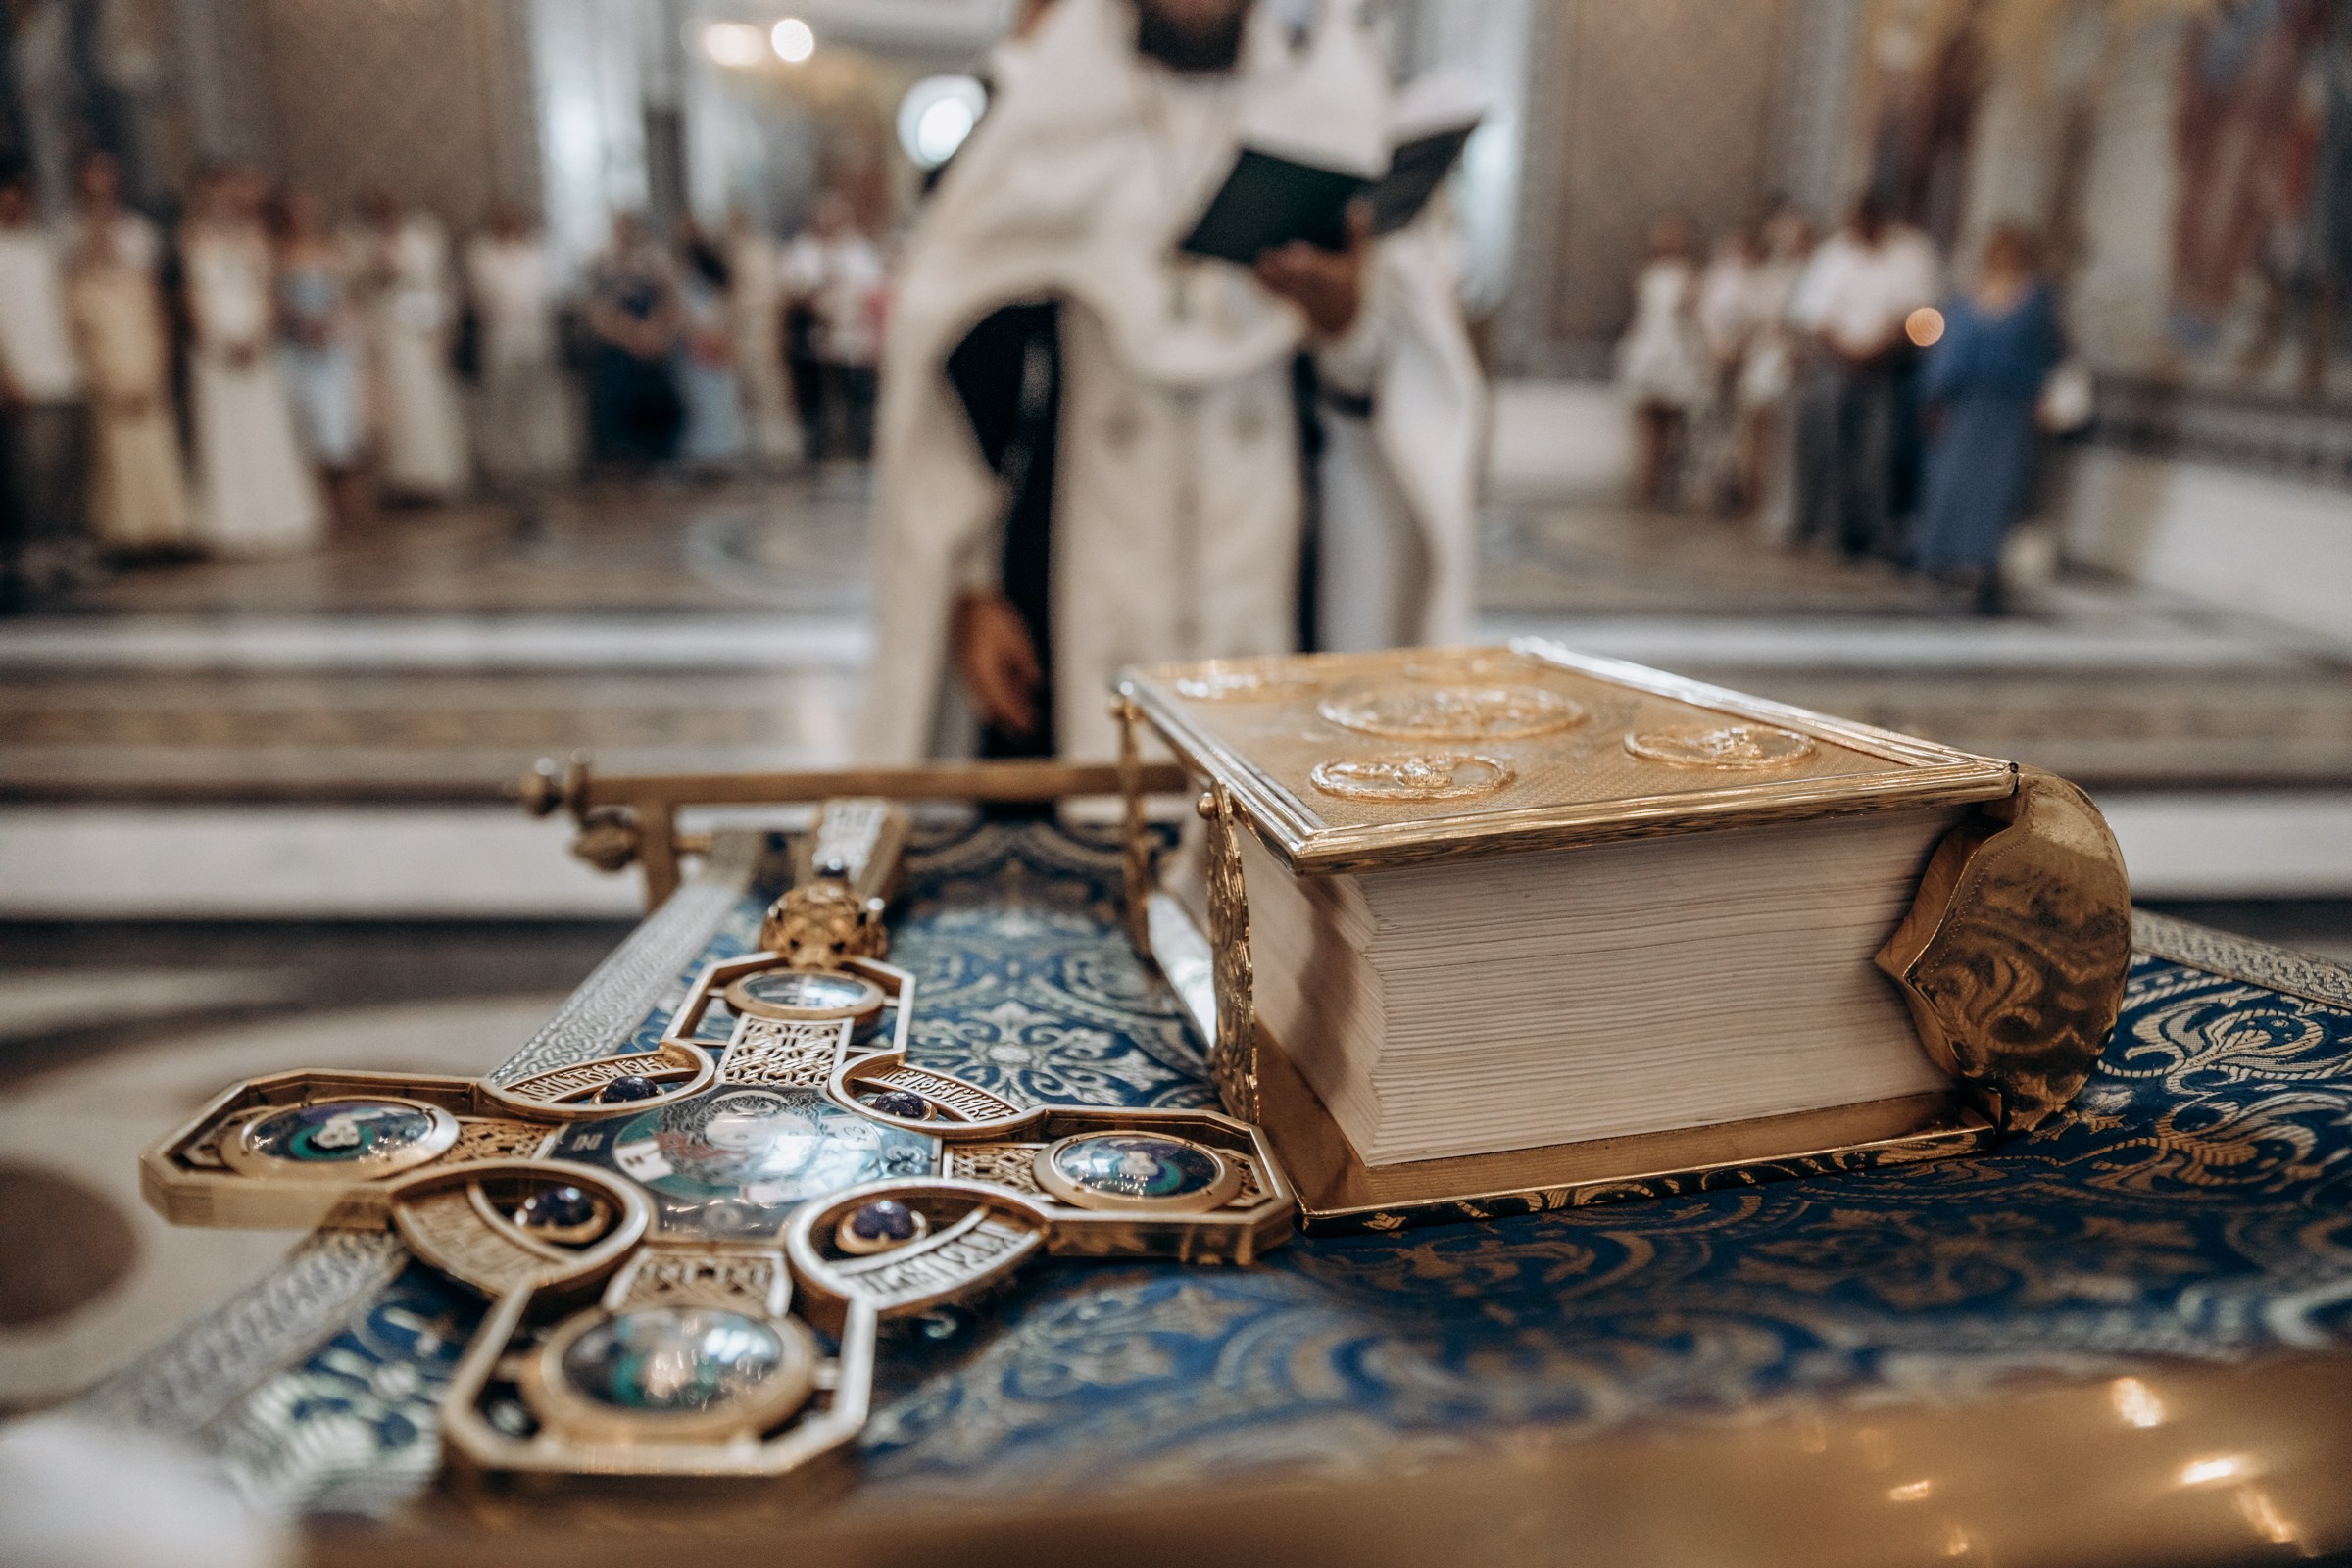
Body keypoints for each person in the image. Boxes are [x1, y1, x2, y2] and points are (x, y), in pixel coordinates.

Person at [858, 0, 1482, 764]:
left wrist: (1344, 319)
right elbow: (951, 384)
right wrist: (969, 586)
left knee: (1266, 828)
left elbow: (1391, 390)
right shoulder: (1044, 118)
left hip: (1271, 584)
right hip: (1075, 576)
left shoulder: (1331, 109)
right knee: (1093, 833)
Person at [1912, 225, 2061, 615]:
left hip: (2007, 408)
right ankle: (1941, 559)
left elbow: (2044, 355)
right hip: (1965, 407)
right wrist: (1936, 396)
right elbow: (1949, 351)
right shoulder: (1968, 297)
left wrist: (2039, 400)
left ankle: (1978, 566)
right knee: (1950, 483)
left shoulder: (2035, 300)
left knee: (1996, 489)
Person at [1788, 191, 1939, 560]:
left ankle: (1875, 532)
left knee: (1880, 452)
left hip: (1889, 367)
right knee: (1828, 445)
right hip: (1836, 362)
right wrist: (1845, 348)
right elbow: (1811, 314)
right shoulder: (1833, 255)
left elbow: (1926, 320)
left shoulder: (1912, 254)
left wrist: (1885, 345)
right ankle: (1828, 527)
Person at [181, 168, 322, 554]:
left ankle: (276, 516)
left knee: (263, 428)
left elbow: (267, 291)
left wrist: (257, 336)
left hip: (255, 345)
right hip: (217, 349)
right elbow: (193, 296)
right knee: (227, 430)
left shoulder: (255, 238)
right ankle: (232, 523)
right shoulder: (194, 239)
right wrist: (220, 340)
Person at [64, 199, 191, 557]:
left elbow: (159, 326)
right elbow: (78, 339)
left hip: (144, 370)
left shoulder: (137, 281)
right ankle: (129, 536)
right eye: (95, 236)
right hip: (111, 376)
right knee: (120, 460)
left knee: (156, 452)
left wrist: (157, 371)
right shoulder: (79, 286)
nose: (103, 242)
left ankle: (167, 529)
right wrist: (104, 381)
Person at [0, 165, 89, 602]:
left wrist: (80, 357)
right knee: (33, 470)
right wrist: (7, 376)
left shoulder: (41, 245)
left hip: (61, 368)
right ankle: (33, 552)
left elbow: (62, 303)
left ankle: (66, 547)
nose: (17, 202)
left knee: (68, 466)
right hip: (24, 374)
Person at [353, 188, 468, 501]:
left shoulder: (422, 238)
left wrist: (440, 330)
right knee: (390, 405)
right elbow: (359, 290)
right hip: (384, 333)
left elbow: (433, 286)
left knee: (425, 399)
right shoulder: (361, 244)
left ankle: (431, 475)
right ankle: (397, 480)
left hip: (418, 331)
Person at [270, 183, 369, 533]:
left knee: (344, 425)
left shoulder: (331, 248)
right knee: (314, 426)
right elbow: (275, 299)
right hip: (301, 349)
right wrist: (301, 322)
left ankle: (354, 505)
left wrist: (333, 321)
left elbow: (345, 293)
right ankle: (327, 509)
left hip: (333, 345)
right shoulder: (278, 251)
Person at [464, 203, 578, 491]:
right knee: (502, 406)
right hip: (501, 338)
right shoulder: (482, 255)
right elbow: (482, 298)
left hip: (535, 338)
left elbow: (551, 295)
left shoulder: (537, 253)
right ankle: (506, 466)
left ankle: (543, 462)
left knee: (538, 404)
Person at [1615, 215, 1709, 508]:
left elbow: (1693, 314)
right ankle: (1645, 485)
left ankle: (1670, 485)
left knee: (1674, 425)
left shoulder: (1689, 274)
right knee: (1646, 425)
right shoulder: (1645, 273)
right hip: (1648, 349)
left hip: (1677, 351)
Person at [784, 193, 884, 462]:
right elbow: (794, 289)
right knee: (815, 399)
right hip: (813, 335)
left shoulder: (860, 251)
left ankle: (859, 447)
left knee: (857, 395)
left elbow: (871, 288)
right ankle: (817, 449)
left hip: (852, 335)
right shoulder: (804, 250)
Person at [1735, 205, 1814, 534]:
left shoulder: (1810, 273)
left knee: (1783, 437)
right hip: (1763, 355)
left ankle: (1782, 509)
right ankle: (1753, 503)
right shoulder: (1769, 273)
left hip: (1790, 359)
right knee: (1755, 432)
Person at [582, 213, 682, 472]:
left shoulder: (654, 263)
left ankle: (660, 458)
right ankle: (624, 461)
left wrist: (656, 333)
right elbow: (598, 310)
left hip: (652, 344)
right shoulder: (603, 265)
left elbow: (670, 300)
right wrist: (629, 336)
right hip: (619, 347)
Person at [724, 206, 800, 466]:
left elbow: (776, 297)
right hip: (741, 332)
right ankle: (754, 452)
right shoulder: (734, 253)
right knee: (747, 397)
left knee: (772, 392)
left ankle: (781, 452)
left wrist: (777, 331)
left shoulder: (763, 251)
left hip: (762, 329)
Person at [672, 220, 743, 473]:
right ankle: (702, 456)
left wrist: (720, 338)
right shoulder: (684, 282)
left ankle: (720, 455)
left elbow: (724, 308)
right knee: (698, 404)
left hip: (714, 343)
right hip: (694, 348)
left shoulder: (713, 279)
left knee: (718, 402)